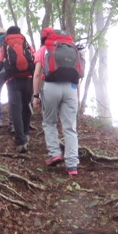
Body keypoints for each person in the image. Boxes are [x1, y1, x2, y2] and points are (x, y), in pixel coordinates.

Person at [32, 26, 81, 176]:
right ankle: (72, 165)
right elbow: (78, 74)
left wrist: (35, 95)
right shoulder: (73, 49)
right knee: (70, 127)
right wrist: (77, 95)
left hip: (51, 86)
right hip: (71, 88)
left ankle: (55, 153)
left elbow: (37, 74)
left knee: (49, 122)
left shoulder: (44, 50)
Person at [0, 26, 35, 153]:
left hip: (12, 81)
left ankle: (20, 141)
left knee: (16, 109)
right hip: (28, 79)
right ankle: (26, 133)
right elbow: (34, 57)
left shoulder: (5, 43)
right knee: (26, 106)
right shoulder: (25, 42)